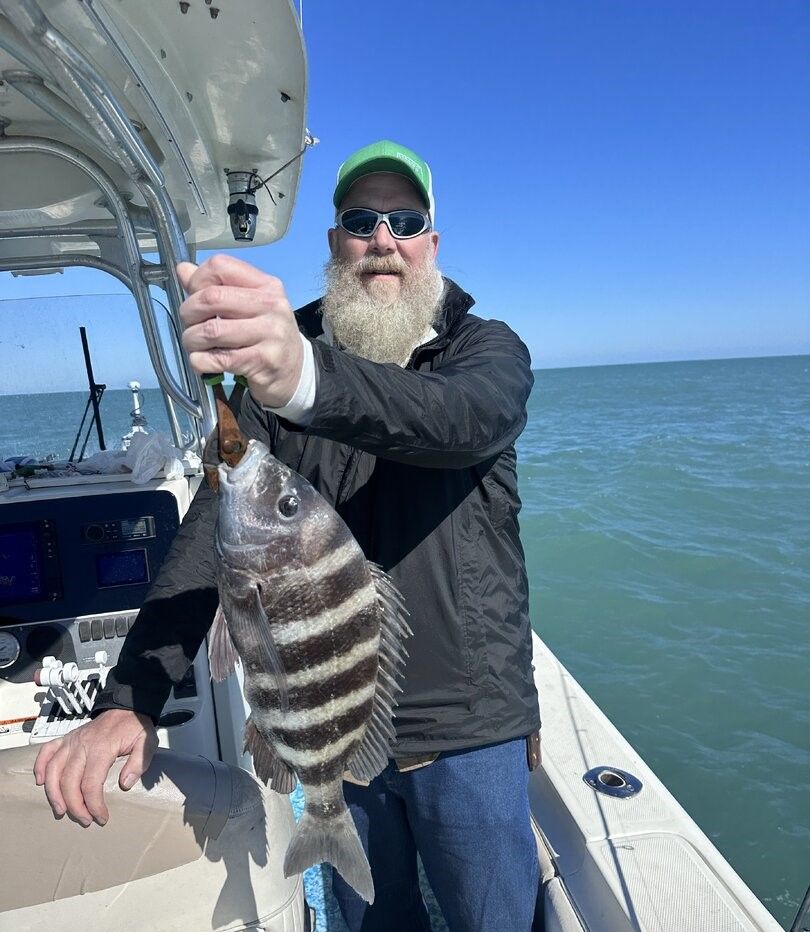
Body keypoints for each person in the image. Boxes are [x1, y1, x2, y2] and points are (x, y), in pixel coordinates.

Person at [34, 140, 542, 931]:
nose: (383, 239)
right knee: (377, 921)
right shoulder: (271, 370)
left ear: (432, 244)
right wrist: (130, 700)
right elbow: (214, 528)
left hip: (471, 726)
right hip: (331, 734)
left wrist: (305, 377)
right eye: (360, 220)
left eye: (404, 221)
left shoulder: (486, 352)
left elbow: (461, 422)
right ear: (336, 243)